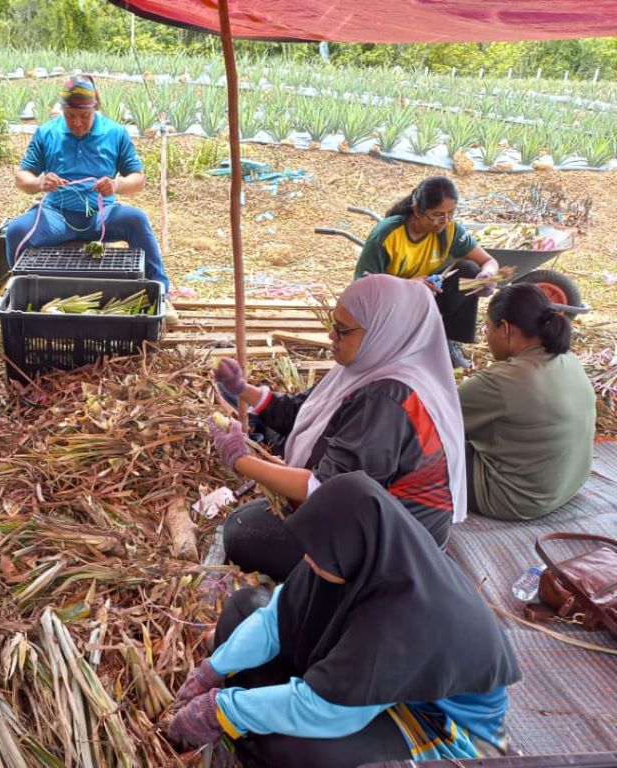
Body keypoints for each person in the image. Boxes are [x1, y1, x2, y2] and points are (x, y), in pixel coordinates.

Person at [167, 472, 521, 768]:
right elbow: (274, 618)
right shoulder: (358, 556)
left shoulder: (405, 618)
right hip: (359, 681)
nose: (307, 558)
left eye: (318, 553)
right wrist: (213, 668)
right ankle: (261, 711)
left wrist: (221, 711)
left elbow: (328, 710)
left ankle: (259, 721)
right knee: (243, 609)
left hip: (433, 722)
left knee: (295, 749)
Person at [211, 274, 465, 582]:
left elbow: (327, 489)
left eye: (342, 330)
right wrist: (242, 389)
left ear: (383, 330)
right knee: (250, 520)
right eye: (334, 324)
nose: (331, 335)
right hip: (366, 509)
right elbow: (303, 410)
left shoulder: (388, 399)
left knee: (242, 532)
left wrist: (241, 460)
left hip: (396, 548)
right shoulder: (374, 364)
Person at [5, 75, 170, 292]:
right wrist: (39, 182)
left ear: (95, 108)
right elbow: (22, 177)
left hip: (102, 214)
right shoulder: (47, 133)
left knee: (137, 220)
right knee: (16, 231)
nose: (77, 123)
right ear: (62, 110)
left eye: (84, 115)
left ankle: (159, 289)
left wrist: (116, 185)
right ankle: (24, 292)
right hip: (57, 215)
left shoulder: (115, 133)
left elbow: (138, 179)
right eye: (69, 116)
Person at [459, 284, 595, 520]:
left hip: (513, 500)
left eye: (488, 328)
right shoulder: (568, 359)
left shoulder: (501, 380)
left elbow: (436, 417)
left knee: (420, 439)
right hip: (567, 487)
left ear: (505, 329)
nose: (487, 335)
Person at [354, 176, 500, 369]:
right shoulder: (387, 235)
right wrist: (410, 285)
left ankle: (446, 340)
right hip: (392, 306)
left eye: (450, 214)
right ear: (416, 211)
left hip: (428, 298)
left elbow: (488, 261)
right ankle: (407, 345)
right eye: (437, 214)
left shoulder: (450, 230)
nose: (445, 221)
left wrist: (487, 275)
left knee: (470, 271)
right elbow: (362, 289)